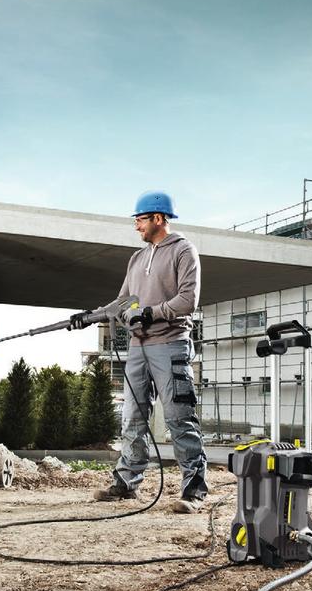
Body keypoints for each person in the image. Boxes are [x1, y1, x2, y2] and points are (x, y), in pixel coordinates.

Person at [69, 190, 208, 513]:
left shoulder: (183, 251)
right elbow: (123, 302)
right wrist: (89, 316)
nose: (136, 226)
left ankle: (194, 490)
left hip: (169, 345)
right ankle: (126, 483)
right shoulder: (137, 258)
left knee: (178, 417)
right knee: (131, 418)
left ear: (158, 218)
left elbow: (188, 300)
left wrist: (151, 312)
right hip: (137, 349)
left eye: (140, 220)